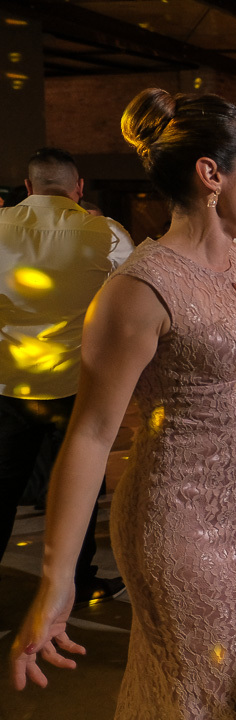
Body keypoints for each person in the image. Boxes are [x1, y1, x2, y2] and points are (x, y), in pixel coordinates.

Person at [9, 88, 236, 718]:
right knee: (199, 695)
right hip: (178, 526)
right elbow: (90, 436)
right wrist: (56, 577)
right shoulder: (139, 289)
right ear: (210, 173)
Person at [0, 147, 133, 607]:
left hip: (7, 385)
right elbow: (132, 299)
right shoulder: (106, 234)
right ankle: (77, 584)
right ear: (79, 188)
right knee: (77, 492)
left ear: (29, 186)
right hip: (75, 386)